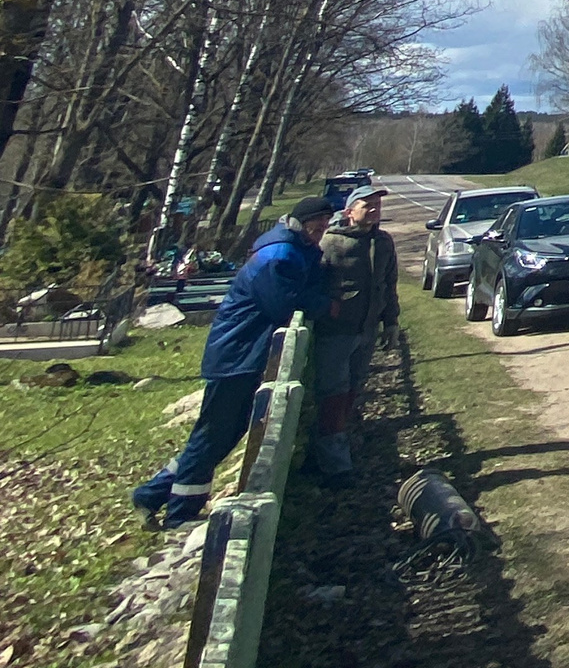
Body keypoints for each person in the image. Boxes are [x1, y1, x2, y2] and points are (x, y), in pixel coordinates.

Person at [132, 196, 330, 525]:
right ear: (300, 223)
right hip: (236, 354)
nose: (320, 232)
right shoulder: (278, 255)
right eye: (316, 226)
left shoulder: (292, 250)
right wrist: (324, 304)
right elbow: (283, 303)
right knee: (211, 435)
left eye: (324, 226)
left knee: (221, 435)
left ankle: (152, 494)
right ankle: (180, 513)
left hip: (244, 353)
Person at [311, 180, 400, 486]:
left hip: (367, 330)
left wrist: (391, 322)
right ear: (350, 211)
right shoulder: (331, 243)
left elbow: (389, 286)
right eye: (368, 206)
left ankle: (332, 449)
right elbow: (313, 283)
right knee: (333, 393)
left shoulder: (384, 242)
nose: (374, 211)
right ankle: (335, 466)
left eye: (378, 206)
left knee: (352, 390)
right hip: (336, 332)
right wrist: (327, 308)